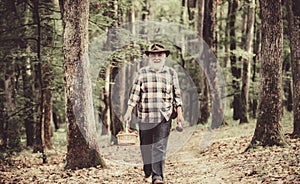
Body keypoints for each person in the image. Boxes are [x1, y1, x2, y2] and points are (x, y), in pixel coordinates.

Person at [123, 43, 184, 184]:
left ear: (165, 56)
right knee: (146, 146)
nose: (156, 57)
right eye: (153, 55)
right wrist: (128, 112)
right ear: (149, 57)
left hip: (164, 116)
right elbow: (135, 94)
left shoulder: (171, 73)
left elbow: (177, 96)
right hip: (145, 116)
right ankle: (148, 170)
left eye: (159, 55)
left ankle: (158, 177)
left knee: (159, 146)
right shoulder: (142, 73)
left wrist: (180, 115)